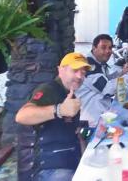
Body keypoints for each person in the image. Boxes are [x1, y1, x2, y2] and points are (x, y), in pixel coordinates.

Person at [15, 52, 93, 181]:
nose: (80, 76)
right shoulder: (49, 90)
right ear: (60, 70)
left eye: (83, 72)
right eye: (75, 70)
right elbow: (22, 116)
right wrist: (59, 110)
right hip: (49, 168)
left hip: (69, 160)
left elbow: (74, 132)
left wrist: (85, 155)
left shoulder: (69, 94)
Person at [77, 34, 128, 127]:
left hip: (102, 112)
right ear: (94, 48)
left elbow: (105, 79)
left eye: (110, 48)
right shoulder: (89, 67)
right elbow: (108, 90)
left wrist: (122, 72)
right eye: (103, 47)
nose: (108, 51)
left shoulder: (97, 62)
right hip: (93, 122)